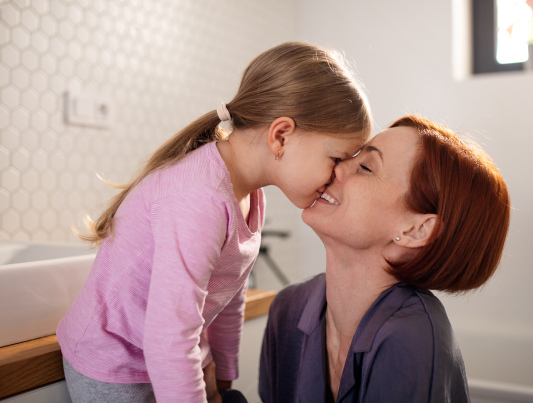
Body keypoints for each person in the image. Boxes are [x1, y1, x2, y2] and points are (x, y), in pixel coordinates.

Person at [56, 41, 372, 403]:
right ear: (281, 136)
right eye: (336, 158)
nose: (338, 177)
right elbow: (169, 334)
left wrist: (223, 376)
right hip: (114, 362)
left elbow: (229, 292)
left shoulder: (251, 194)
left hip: (164, 350)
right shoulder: (201, 199)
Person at [259, 115, 511, 402]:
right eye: (350, 157)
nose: (338, 167)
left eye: (365, 167)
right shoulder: (288, 309)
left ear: (416, 230)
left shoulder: (412, 339)